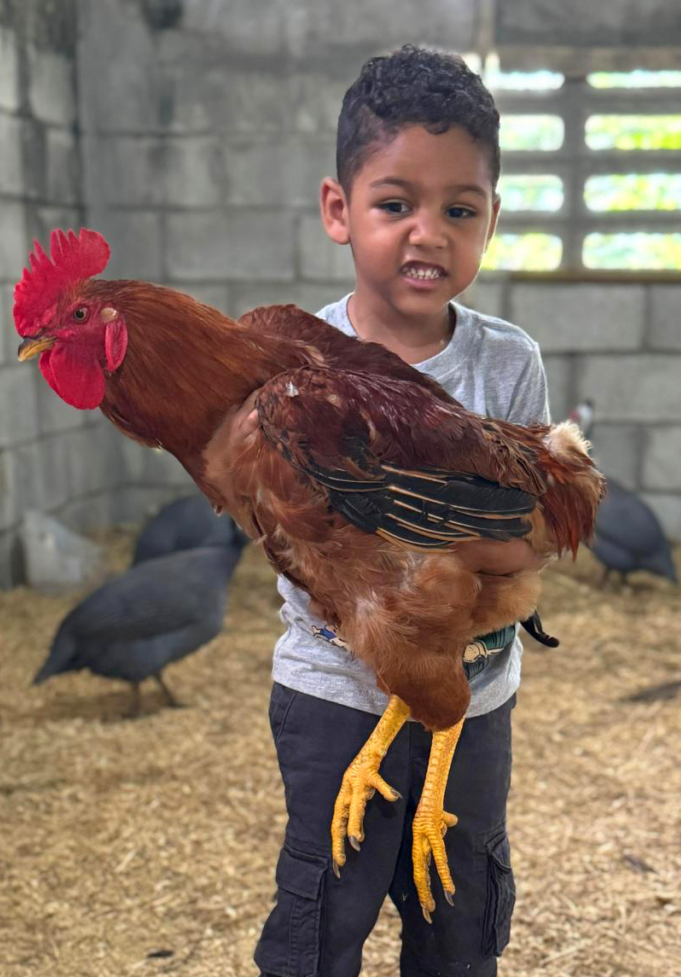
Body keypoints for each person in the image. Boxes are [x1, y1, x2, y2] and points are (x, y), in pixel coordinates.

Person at [249, 44, 551, 977]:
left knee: (458, 922)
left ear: (492, 219)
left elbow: (527, 533)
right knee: (320, 918)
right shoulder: (296, 364)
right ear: (338, 210)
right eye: (395, 205)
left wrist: (450, 557)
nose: (429, 234)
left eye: (460, 210)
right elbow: (297, 535)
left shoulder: (507, 363)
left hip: (472, 699)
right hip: (334, 690)